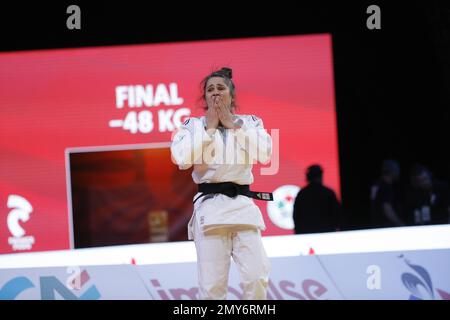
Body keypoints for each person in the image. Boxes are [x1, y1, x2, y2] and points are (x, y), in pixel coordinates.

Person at [170, 67, 273, 300]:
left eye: (221, 88)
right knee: (212, 286)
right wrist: (209, 129)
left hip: (244, 207)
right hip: (210, 209)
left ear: (231, 94)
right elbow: (181, 159)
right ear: (204, 97)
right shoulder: (192, 125)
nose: (215, 93)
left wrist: (232, 124)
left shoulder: (250, 122)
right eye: (210, 89)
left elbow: (265, 154)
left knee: (257, 276)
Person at [292, 164, 341, 234]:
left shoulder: (302, 194)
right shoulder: (328, 193)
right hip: (326, 234)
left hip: (307, 236)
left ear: (308, 177)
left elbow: (296, 217)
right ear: (320, 176)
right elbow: (338, 216)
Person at [369, 159, 405, 228]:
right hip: (385, 226)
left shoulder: (376, 184)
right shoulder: (386, 187)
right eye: (397, 170)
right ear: (392, 171)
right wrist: (400, 223)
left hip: (376, 224)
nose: (398, 173)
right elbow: (387, 208)